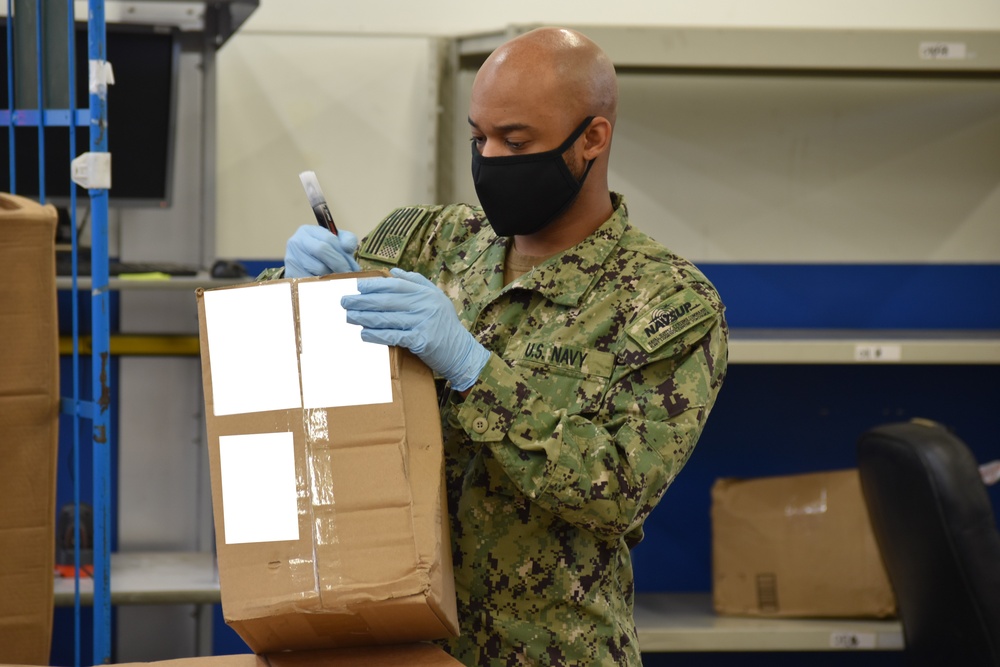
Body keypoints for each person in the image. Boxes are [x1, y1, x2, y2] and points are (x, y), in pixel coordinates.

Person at [281, 27, 728, 667]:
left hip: (548, 651)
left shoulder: (666, 303)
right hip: (394, 640)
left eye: (516, 141)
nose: (490, 158)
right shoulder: (429, 242)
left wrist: (471, 369)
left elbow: (617, 489)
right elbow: (280, 358)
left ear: (592, 139)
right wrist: (294, 288)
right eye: (478, 137)